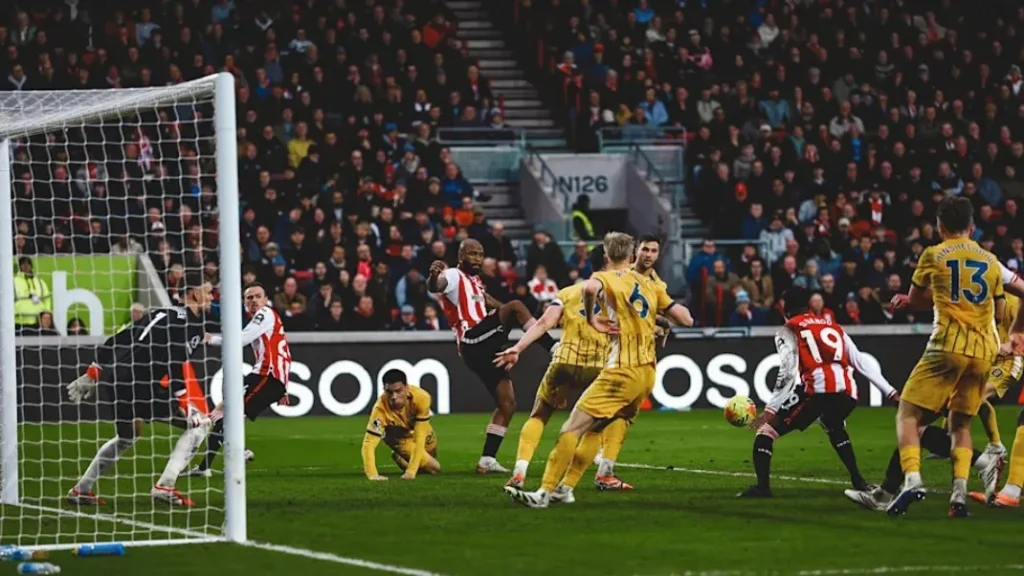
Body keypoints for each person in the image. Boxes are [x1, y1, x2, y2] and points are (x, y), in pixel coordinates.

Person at [504, 232, 693, 508]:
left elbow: (588, 291)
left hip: (618, 369)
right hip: (646, 373)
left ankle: (544, 492)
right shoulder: (651, 285)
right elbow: (686, 319)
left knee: (571, 428)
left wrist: (593, 318)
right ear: (632, 256)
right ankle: (571, 486)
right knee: (598, 428)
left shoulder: (601, 279)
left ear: (606, 255)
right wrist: (662, 323)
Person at [888, 196, 1004, 517]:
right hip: (983, 351)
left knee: (908, 415)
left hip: (948, 345)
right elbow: (999, 312)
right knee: (960, 423)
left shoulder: (933, 254)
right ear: (972, 226)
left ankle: (912, 480)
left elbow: (915, 300)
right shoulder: (992, 261)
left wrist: (909, 300)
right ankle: (959, 497)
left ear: (940, 227)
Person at [65, 273, 213, 507]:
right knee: (199, 425)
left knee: (127, 436)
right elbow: (174, 359)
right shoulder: (185, 322)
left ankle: (81, 490)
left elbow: (119, 338)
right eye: (208, 292)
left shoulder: (159, 314)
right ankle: (165, 485)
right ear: (195, 294)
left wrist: (93, 372)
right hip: (141, 381)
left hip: (117, 378)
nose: (211, 297)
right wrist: (183, 400)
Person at [739, 286, 899, 498]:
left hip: (817, 390)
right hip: (848, 392)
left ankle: (762, 488)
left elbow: (788, 371)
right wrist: (890, 392)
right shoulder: (833, 325)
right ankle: (859, 481)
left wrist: (771, 409)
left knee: (766, 431)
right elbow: (859, 360)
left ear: (785, 308)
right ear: (808, 306)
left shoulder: (789, 328)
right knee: (832, 424)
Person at [428, 238, 555, 474]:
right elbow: (437, 285)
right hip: (472, 339)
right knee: (516, 306)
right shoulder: (454, 275)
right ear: (461, 256)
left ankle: (487, 459)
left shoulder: (476, 283)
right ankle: (553, 348)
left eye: (480, 254)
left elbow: (493, 304)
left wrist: (508, 312)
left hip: (483, 346)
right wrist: (434, 276)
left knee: (507, 403)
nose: (477, 258)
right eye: (472, 254)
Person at [495, 245, 610, 490]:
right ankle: (597, 468)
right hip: (598, 366)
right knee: (599, 420)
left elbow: (544, 323)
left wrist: (518, 347)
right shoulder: (620, 293)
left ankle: (520, 471)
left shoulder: (568, 292)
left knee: (539, 415)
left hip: (565, 360)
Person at [188, 282, 292, 477]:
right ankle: (210, 464)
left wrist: (211, 339)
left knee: (227, 413)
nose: (253, 301)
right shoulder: (259, 321)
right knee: (223, 412)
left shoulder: (265, 314)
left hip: (267, 376)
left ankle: (229, 455)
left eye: (257, 296)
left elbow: (240, 340)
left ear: (266, 299)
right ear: (244, 303)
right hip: (268, 378)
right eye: (249, 298)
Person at [360, 369, 441, 480]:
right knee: (434, 468)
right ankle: (400, 455)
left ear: (407, 388)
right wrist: (372, 475)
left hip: (419, 429)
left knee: (431, 454)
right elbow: (369, 443)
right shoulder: (380, 410)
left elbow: (420, 436)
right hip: (400, 439)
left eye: (398, 391)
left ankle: (401, 458)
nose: (394, 396)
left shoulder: (421, 397)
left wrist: (411, 472)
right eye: (389, 392)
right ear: (384, 390)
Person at [14, 256, 51, 331]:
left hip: (37, 321)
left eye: (28, 263)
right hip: (18, 321)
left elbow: (47, 298)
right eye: (23, 263)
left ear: (31, 266)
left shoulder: (39, 281)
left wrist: (46, 314)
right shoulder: (13, 280)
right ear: (19, 266)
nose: (26, 266)